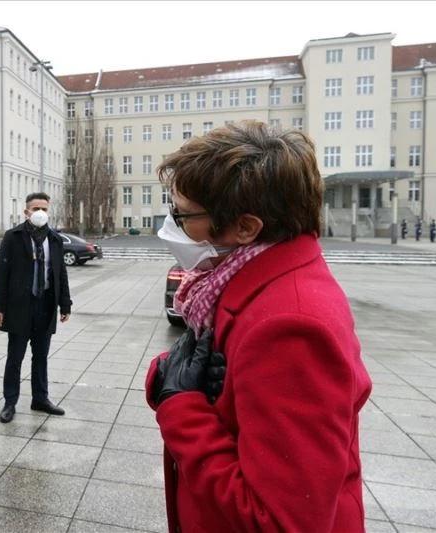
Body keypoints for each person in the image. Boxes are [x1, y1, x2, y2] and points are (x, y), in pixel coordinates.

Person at [147, 121, 372, 533]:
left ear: (246, 227)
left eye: (183, 214)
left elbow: (281, 521)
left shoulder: (291, 327)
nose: (172, 224)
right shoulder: (241, 280)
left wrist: (181, 408)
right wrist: (167, 376)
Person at [0, 192, 71, 423]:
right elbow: (1, 273)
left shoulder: (54, 240)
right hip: (19, 307)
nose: (40, 213)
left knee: (41, 357)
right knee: (15, 358)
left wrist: (65, 304)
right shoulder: (13, 237)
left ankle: (40, 398)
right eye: (36, 208)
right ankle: (10, 402)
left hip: (45, 306)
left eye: (44, 208)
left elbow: (60, 274)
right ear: (26, 212)